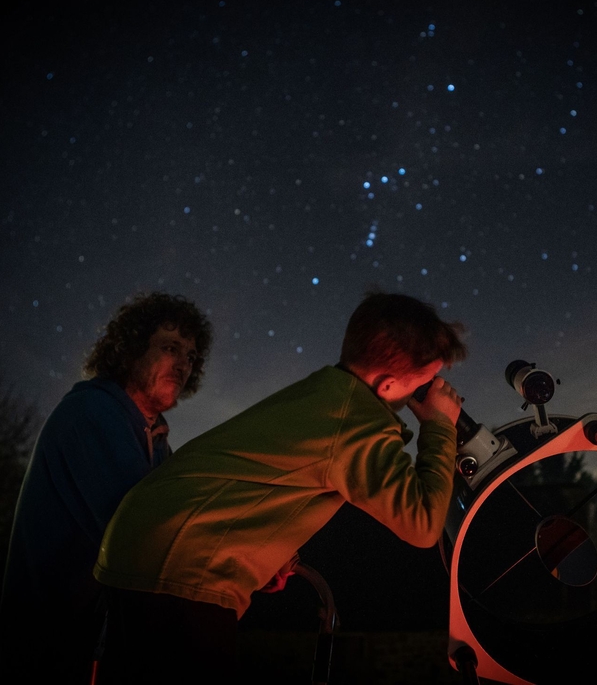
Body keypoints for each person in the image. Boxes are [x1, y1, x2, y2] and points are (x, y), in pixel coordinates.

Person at [93, 291, 467, 683]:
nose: (426, 394)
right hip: (181, 568)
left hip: (143, 546)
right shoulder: (357, 421)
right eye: (422, 385)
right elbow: (423, 524)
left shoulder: (324, 396)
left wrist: (266, 553)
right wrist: (440, 426)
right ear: (388, 385)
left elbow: (260, 482)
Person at [0, 291, 213, 684]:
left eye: (191, 356)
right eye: (171, 348)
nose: (184, 363)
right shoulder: (90, 413)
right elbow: (147, 530)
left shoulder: (156, 437)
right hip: (39, 649)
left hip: (77, 646)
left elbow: (182, 513)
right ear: (130, 349)